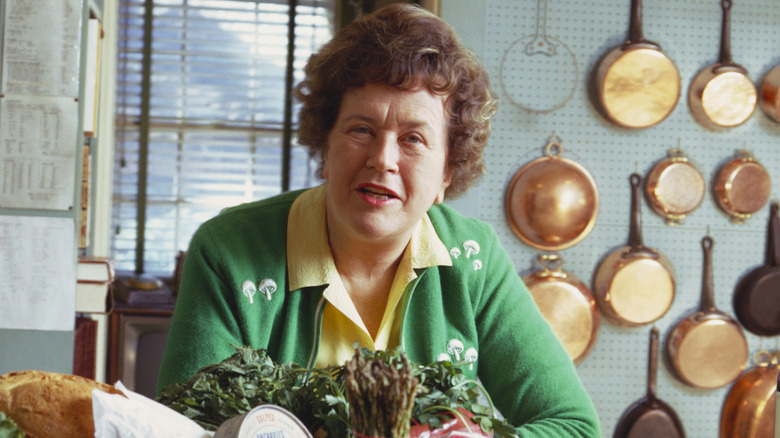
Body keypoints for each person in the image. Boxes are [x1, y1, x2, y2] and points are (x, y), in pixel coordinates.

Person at [157, 3, 601, 436]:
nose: (382, 159)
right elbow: (180, 427)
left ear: (447, 172)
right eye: (361, 130)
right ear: (326, 145)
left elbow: (574, 426)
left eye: (413, 139)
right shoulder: (228, 251)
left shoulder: (474, 261)